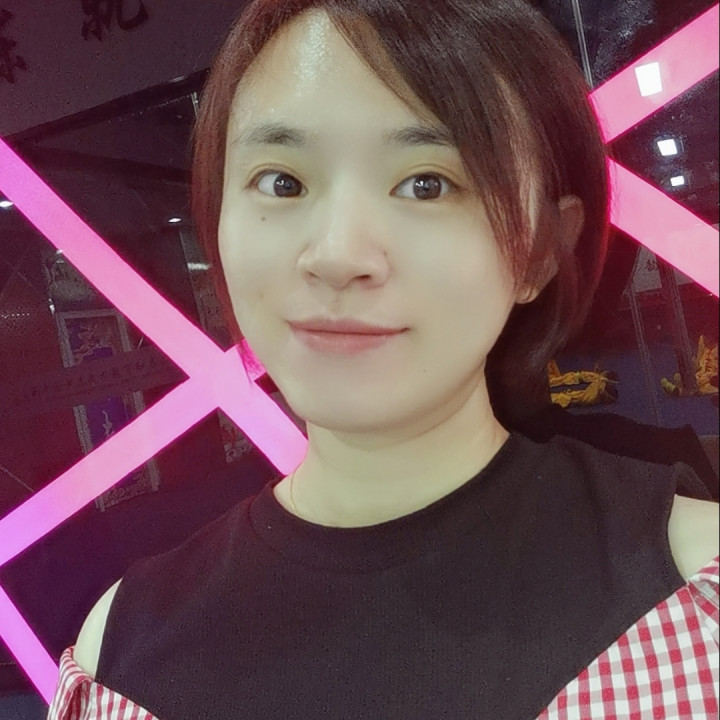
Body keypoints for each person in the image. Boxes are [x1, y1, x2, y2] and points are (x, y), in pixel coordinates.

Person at [48, 0, 719, 718]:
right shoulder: (120, 655)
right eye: (282, 181)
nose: (337, 255)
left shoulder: (694, 596)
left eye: (427, 183)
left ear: (539, 248)